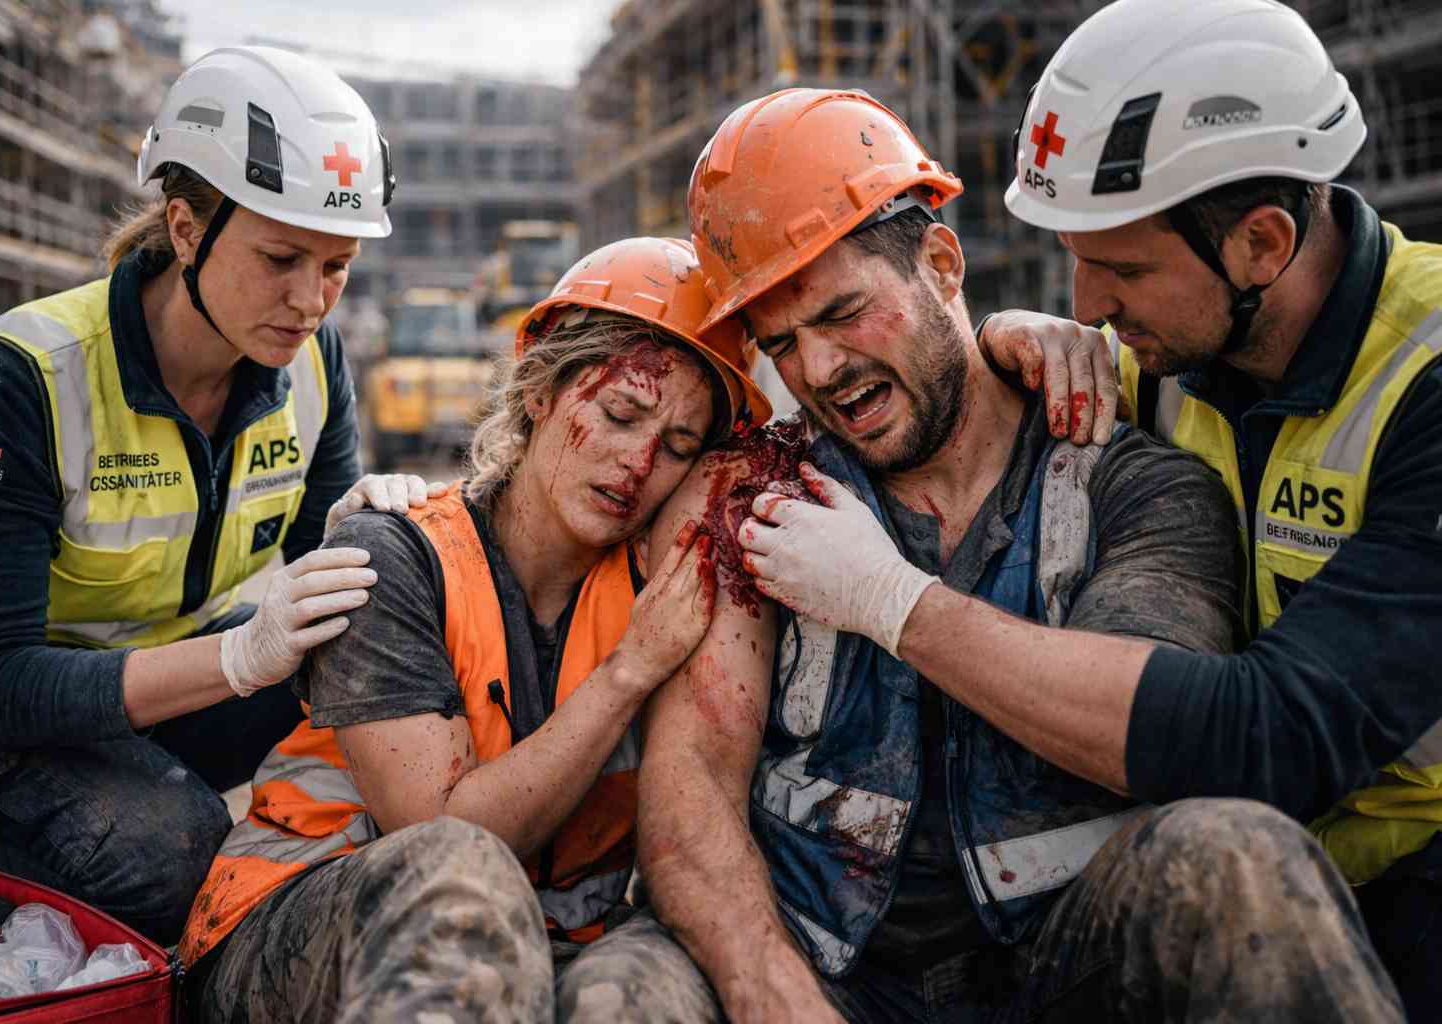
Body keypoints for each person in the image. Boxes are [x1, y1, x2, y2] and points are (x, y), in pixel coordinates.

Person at [576, 86, 1408, 1022]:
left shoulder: (1132, 480)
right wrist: (772, 993)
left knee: (1236, 862)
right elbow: (693, 788)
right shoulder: (755, 495)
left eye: (844, 313)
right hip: (821, 965)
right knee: (621, 994)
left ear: (940, 264)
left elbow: (1160, 727)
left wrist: (889, 599)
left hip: (1063, 973)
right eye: (781, 344)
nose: (817, 370)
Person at [962, 0, 1442, 1014]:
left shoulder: (1427, 377)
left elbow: (1269, 739)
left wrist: (899, 609)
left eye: (1122, 267)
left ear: (1262, 244)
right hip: (1275, 883)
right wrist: (1004, 336)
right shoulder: (1181, 352)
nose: (1086, 302)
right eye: (1072, 257)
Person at [0, 45, 436, 944]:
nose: (312, 301)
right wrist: (238, 661)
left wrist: (380, 540)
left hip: (152, 692)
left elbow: (327, 572)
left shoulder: (312, 360)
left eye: (338, 266)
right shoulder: (24, 377)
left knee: (384, 637)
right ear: (186, 229)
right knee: (172, 850)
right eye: (280, 257)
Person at [177, 235, 771, 1022]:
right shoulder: (393, 557)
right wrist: (630, 671)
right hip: (310, 918)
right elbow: (444, 832)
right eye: (620, 413)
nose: (637, 461)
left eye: (679, 446)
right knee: (461, 884)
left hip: (560, 932)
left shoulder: (659, 582)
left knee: (645, 993)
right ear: (540, 391)